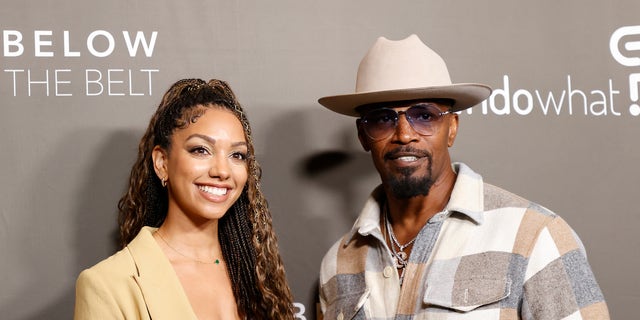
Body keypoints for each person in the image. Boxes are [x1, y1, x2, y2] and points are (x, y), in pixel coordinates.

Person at [317, 35, 610, 319]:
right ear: (363, 136)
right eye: (382, 119)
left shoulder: (533, 236)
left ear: (452, 128)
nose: (405, 135)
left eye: (424, 115)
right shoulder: (337, 264)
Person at [74, 78, 295, 320]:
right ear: (161, 162)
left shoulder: (259, 277)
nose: (222, 171)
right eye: (201, 150)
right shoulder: (107, 285)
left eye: (237, 155)